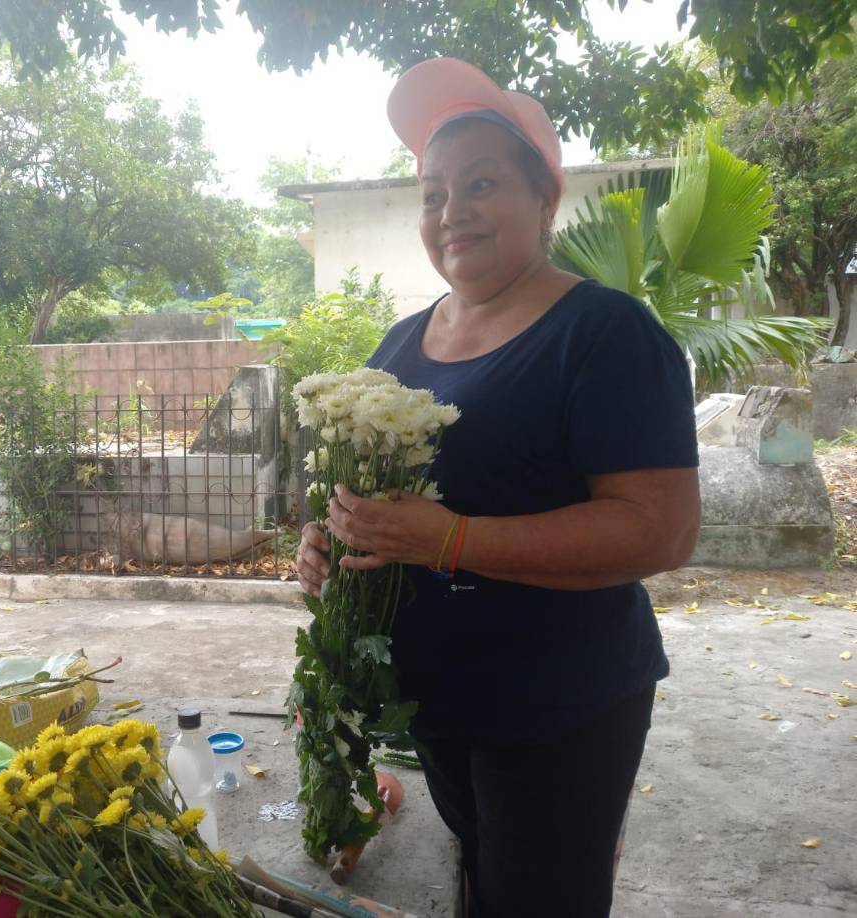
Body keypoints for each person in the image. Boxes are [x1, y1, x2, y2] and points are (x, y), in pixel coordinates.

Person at [295, 58, 701, 918]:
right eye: (434, 193)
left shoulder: (602, 332)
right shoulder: (404, 342)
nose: (452, 212)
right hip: (441, 702)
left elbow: (660, 531)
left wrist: (449, 539)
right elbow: (376, 499)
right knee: (475, 880)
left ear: (545, 200)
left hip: (558, 707)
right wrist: (331, 539)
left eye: (481, 184)